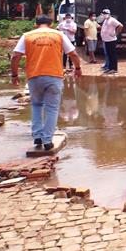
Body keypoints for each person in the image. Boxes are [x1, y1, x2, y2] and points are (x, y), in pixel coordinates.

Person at [10, 15, 82, 150]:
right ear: (51, 24)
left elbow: (15, 56)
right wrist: (77, 68)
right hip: (54, 76)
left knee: (36, 105)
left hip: (34, 76)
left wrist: (14, 75)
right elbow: (73, 54)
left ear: (35, 24)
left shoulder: (27, 36)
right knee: (52, 108)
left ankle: (37, 137)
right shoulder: (59, 35)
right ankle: (47, 140)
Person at [100, 8, 123, 74]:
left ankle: (114, 69)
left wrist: (115, 33)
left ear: (109, 14)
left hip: (111, 40)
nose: (104, 15)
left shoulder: (112, 20)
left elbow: (120, 26)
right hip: (106, 40)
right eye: (103, 14)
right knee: (109, 55)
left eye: (105, 14)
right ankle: (110, 68)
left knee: (113, 55)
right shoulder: (105, 20)